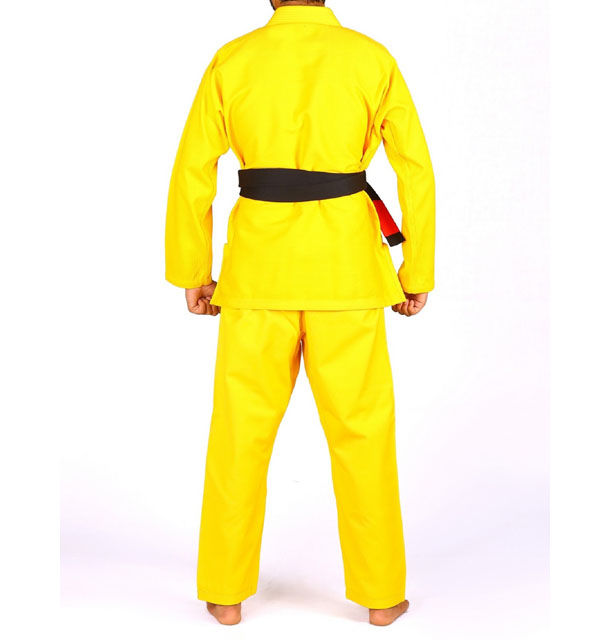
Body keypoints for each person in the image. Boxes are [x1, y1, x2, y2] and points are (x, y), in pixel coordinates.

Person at [165, 0, 435, 627]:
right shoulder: (370, 58)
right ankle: (381, 595)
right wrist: (415, 269)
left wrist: (193, 270)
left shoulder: (234, 59)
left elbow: (192, 169)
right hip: (348, 274)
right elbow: (415, 169)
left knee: (239, 435)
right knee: (363, 436)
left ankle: (224, 592)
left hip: (257, 274)